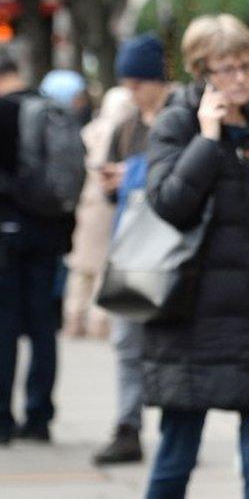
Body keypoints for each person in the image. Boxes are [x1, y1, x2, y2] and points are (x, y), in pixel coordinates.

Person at [142, 14, 249, 498]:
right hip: (193, 317)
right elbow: (169, 204)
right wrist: (207, 141)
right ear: (202, 72)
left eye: (245, 66)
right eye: (225, 69)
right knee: (178, 452)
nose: (239, 78)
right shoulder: (177, 122)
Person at [91, 34, 177, 466]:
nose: (131, 91)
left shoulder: (179, 115)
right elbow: (111, 190)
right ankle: (128, 426)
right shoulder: (126, 126)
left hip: (175, 249)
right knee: (127, 341)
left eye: (138, 82)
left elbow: (181, 173)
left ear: (156, 80)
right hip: (133, 251)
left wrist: (130, 174)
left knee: (171, 345)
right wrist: (114, 181)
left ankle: (175, 429)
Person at [1, 61, 86, 446]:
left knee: (4, 327)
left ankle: (2, 418)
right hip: (49, 235)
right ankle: (40, 417)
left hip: (9, 235)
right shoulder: (52, 108)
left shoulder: (5, 111)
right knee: (42, 328)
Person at [62, 87, 136, 339]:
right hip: (108, 205)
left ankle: (73, 318)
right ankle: (98, 321)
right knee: (103, 266)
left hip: (87, 202)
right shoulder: (123, 131)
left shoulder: (91, 129)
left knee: (80, 267)